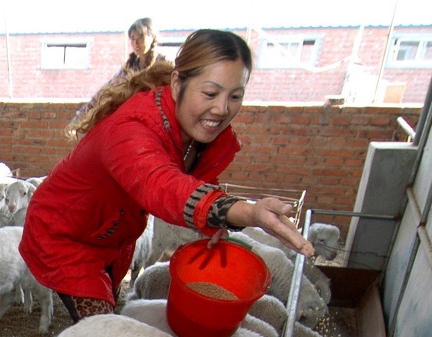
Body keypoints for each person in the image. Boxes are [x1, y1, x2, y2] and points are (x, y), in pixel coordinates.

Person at [20, 29, 315, 322]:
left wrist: (214, 223)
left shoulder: (200, 138)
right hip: (66, 235)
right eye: (210, 93)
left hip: (112, 233)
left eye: (235, 96)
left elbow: (194, 184)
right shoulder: (131, 130)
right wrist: (245, 212)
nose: (223, 108)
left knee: (108, 309)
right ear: (177, 84)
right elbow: (164, 186)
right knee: (102, 333)